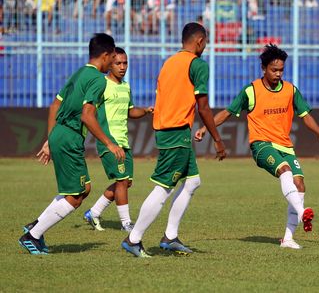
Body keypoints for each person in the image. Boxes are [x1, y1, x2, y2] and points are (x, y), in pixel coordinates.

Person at [195, 44, 319, 249]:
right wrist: (206, 128)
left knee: (300, 184)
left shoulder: (290, 90)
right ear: (264, 68)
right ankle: (303, 213)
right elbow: (228, 112)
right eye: (274, 70)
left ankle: (288, 239)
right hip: (261, 145)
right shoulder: (251, 90)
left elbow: (306, 116)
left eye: (281, 70)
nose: (278, 74)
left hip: (285, 146)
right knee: (285, 171)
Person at [121, 22, 226, 258]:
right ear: (200, 41)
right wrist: (217, 139)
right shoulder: (197, 64)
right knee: (164, 188)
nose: (205, 46)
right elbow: (204, 107)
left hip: (168, 128)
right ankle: (133, 238)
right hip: (175, 131)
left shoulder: (170, 62)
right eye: (205, 42)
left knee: (192, 182)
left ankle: (170, 236)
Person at [19, 33, 124, 255]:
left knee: (82, 189)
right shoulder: (97, 80)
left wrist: (50, 138)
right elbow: (88, 116)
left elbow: (54, 106)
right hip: (70, 137)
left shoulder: (79, 73)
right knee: (76, 195)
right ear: (105, 56)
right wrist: (110, 143)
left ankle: (35, 226)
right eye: (112, 58)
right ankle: (33, 235)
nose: (113, 63)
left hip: (61, 134)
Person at [83, 47, 153, 233]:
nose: (122, 67)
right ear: (109, 64)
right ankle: (126, 223)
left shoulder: (126, 86)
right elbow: (88, 111)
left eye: (125, 63)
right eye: (118, 63)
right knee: (122, 181)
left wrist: (145, 111)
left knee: (125, 182)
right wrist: (108, 142)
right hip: (109, 142)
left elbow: (131, 111)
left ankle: (94, 212)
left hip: (123, 142)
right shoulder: (102, 84)